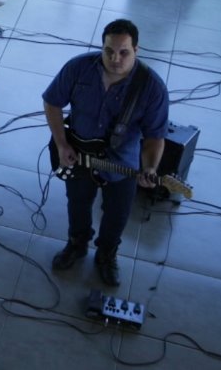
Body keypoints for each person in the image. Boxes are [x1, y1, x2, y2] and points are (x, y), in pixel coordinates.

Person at [42, 19, 169, 286]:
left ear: (136, 49)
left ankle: (106, 254)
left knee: (117, 214)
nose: (115, 58)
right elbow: (52, 102)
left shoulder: (152, 88)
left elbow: (155, 136)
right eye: (109, 50)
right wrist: (62, 143)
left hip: (121, 163)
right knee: (77, 203)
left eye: (124, 52)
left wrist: (150, 168)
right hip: (76, 154)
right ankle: (77, 244)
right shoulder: (78, 68)